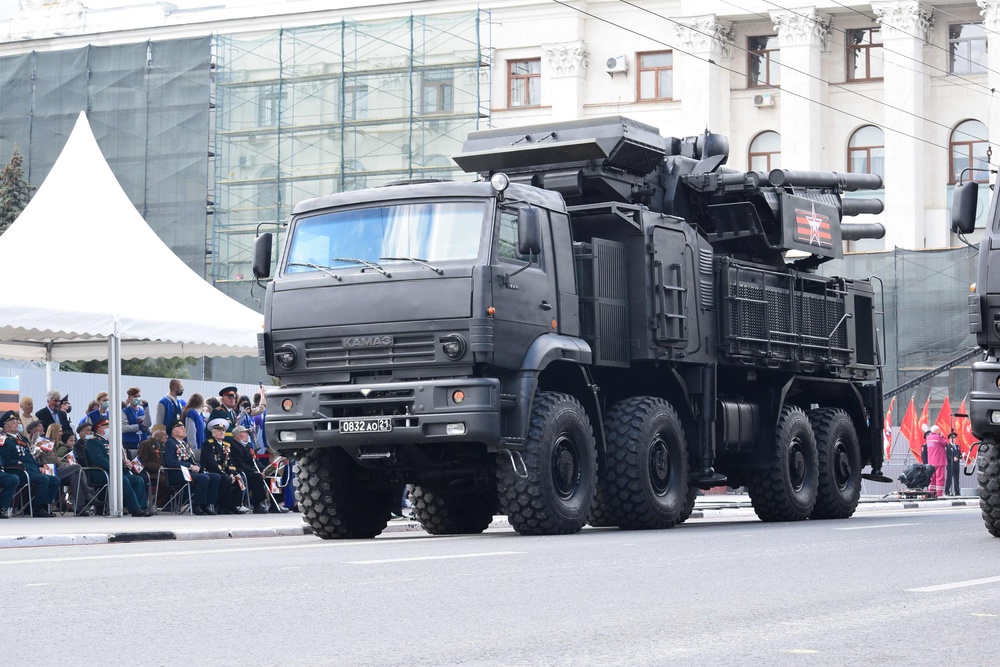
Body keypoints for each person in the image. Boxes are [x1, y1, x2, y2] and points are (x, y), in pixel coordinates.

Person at [84, 418, 152, 517]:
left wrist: (124, 463)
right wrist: (115, 467)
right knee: (123, 480)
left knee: (138, 480)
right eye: (107, 426)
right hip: (102, 472)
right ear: (99, 429)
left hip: (117, 471)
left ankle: (142, 507)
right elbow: (98, 459)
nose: (109, 428)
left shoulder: (111, 441)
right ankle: (135, 508)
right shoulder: (93, 442)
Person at [0, 409, 59, 517]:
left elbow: (29, 457)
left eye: (18, 422)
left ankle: (44, 506)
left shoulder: (23, 439)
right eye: (14, 423)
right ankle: (37, 509)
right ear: (6, 427)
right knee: (43, 479)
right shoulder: (4, 440)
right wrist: (16, 462)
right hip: (18, 470)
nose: (18, 424)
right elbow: (4, 459)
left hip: (31, 469)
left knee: (55, 480)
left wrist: (39, 466)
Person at [162, 421, 219, 515]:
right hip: (178, 473)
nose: (184, 429)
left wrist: (198, 466)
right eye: (181, 428)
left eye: (184, 428)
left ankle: (206, 505)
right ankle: (196, 505)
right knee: (204, 478)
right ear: (174, 432)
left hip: (190, 472)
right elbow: (171, 462)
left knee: (215, 477)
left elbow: (193, 460)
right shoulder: (170, 443)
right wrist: (190, 466)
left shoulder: (185, 443)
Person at [35, 423, 93, 514]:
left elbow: (58, 461)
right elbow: (42, 460)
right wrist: (56, 460)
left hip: (57, 469)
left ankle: (80, 508)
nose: (62, 433)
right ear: (54, 432)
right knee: (77, 467)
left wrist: (64, 464)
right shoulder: (44, 442)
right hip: (49, 471)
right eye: (60, 431)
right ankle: (87, 494)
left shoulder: (57, 443)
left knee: (75, 476)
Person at [200, 420, 248, 514]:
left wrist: (232, 474)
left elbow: (230, 462)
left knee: (238, 478)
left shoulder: (226, 445)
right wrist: (225, 474)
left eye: (223, 430)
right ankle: (223, 506)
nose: (221, 432)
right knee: (225, 479)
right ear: (213, 432)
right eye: (218, 430)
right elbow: (210, 462)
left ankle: (235, 505)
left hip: (224, 472)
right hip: (212, 471)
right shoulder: (208, 444)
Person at [230, 424, 277, 513]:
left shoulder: (248, 446)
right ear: (237, 435)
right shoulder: (233, 446)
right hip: (243, 471)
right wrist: (256, 471)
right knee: (257, 477)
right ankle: (257, 503)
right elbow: (239, 464)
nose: (247, 435)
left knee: (275, 476)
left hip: (252, 470)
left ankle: (276, 503)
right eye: (244, 433)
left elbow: (255, 460)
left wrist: (264, 469)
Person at [137, 425, 171, 508]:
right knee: (166, 481)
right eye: (164, 435)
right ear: (157, 436)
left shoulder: (163, 445)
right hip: (151, 472)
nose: (167, 437)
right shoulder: (146, 444)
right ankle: (157, 502)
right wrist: (158, 467)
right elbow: (142, 462)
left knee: (174, 479)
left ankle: (165, 503)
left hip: (164, 471)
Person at [121, 387, 151, 452]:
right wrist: (139, 427)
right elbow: (124, 428)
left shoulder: (142, 410)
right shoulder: (125, 411)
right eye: (135, 396)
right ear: (129, 398)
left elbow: (148, 424)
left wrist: (146, 408)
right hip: (130, 445)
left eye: (139, 396)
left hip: (143, 445)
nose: (137, 398)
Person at [925, 425, 948, 497]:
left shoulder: (928, 438)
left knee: (932, 478)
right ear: (937, 431)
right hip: (939, 461)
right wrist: (942, 436)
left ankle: (930, 493)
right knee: (940, 477)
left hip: (931, 462)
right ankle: (939, 494)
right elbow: (946, 443)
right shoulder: (938, 438)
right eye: (939, 431)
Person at [945, 431, 962, 496]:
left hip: (956, 465)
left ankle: (957, 491)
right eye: (952, 438)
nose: (954, 439)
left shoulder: (957, 446)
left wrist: (959, 456)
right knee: (949, 479)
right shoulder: (948, 446)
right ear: (949, 439)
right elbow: (947, 455)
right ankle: (947, 491)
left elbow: (959, 454)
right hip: (950, 465)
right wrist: (952, 458)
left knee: (956, 479)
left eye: (954, 438)